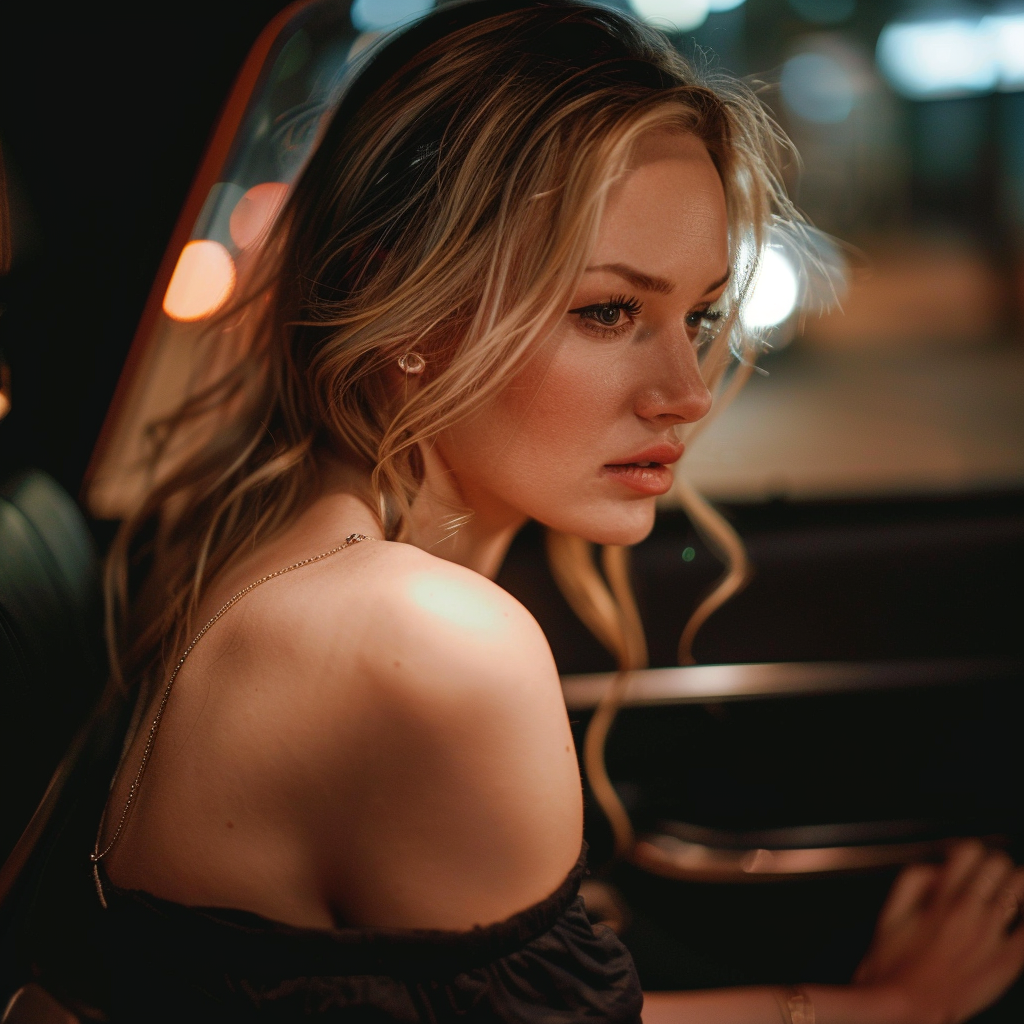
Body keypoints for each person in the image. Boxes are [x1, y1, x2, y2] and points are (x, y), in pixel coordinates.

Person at [93, 2, 1024, 1021]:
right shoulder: (419, 634)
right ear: (400, 301)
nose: (687, 390)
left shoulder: (303, 544)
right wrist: (894, 1011)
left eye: (699, 314)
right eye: (607, 311)